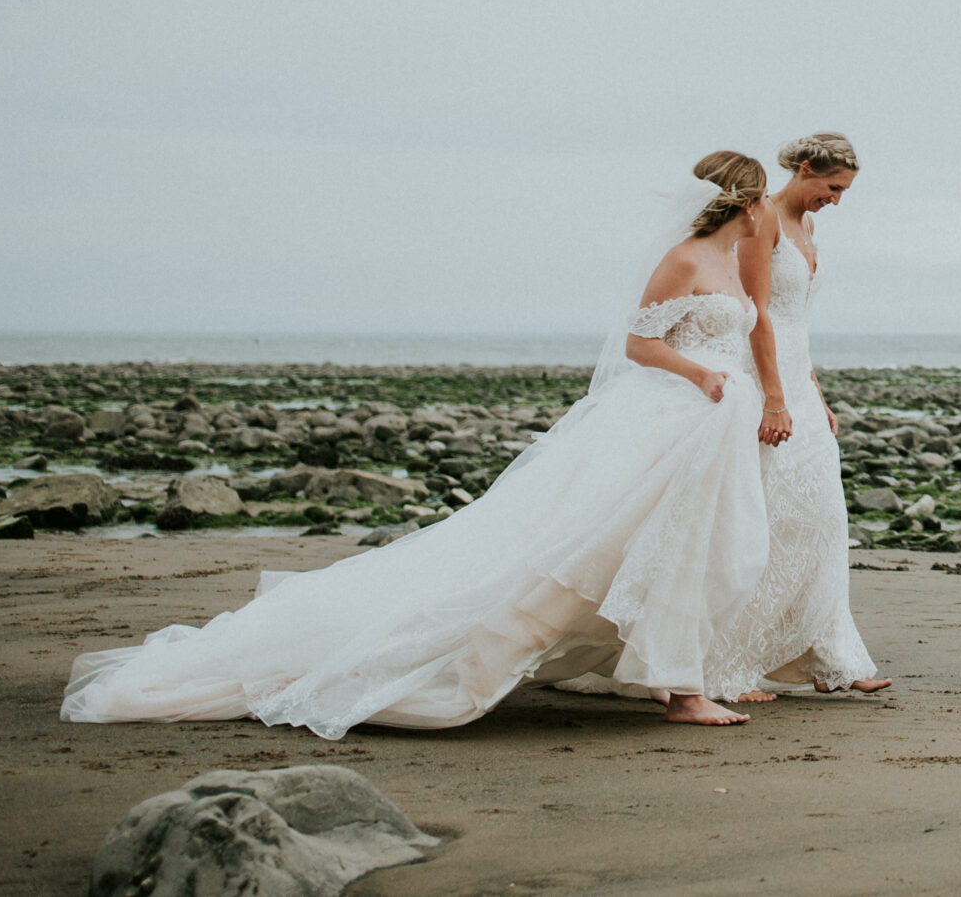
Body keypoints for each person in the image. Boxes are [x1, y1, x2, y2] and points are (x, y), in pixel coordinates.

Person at [62, 152, 783, 737]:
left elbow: (736, 333)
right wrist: (700, 375)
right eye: (762, 200)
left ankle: (673, 672)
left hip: (701, 426)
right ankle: (680, 688)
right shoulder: (685, 258)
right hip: (668, 416)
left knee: (689, 548)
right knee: (613, 549)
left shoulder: (732, 262)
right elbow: (638, 343)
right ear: (746, 203)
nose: (765, 211)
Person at [704, 131, 889, 699]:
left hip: (801, 387)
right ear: (805, 169)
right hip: (764, 385)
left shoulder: (809, 227)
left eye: (844, 192)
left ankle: (831, 655)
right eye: (832, 187)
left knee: (825, 522)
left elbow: (797, 322)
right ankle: (729, 665)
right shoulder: (763, 223)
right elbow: (757, 315)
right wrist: (775, 399)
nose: (836, 199)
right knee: (769, 521)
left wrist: (817, 395)